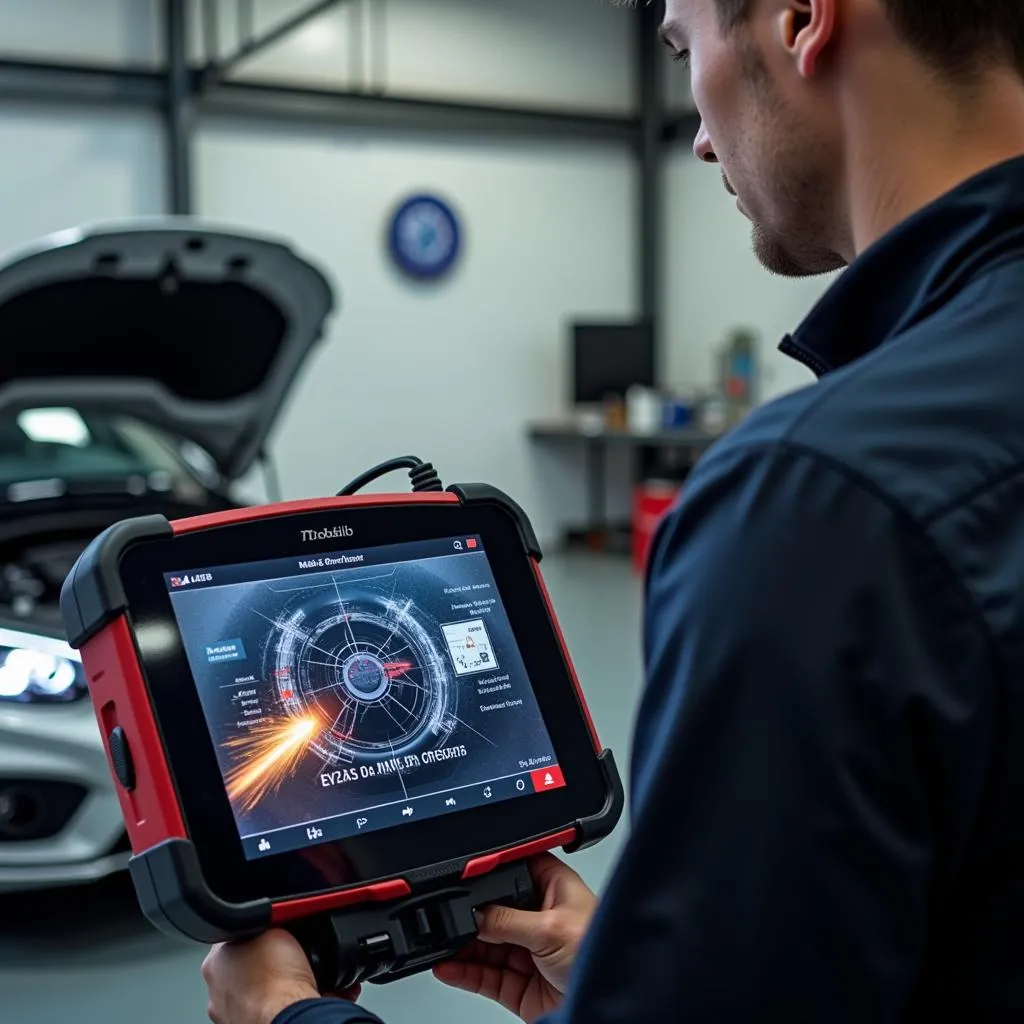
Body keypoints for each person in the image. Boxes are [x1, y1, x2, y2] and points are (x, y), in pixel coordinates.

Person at [203, 0, 1024, 1020]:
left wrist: (294, 1017)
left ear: (804, 19)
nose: (692, 132)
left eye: (684, 48)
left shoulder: (820, 506)